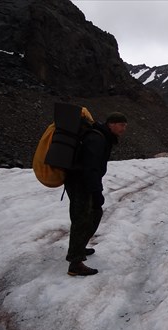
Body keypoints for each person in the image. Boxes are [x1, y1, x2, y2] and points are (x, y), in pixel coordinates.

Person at [65, 112, 128, 276]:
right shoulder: (97, 139)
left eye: (125, 125)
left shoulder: (102, 136)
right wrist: (96, 191)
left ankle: (79, 248)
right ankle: (75, 263)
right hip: (80, 182)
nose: (124, 129)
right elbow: (90, 168)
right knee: (82, 218)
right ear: (111, 124)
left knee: (92, 214)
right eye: (121, 125)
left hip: (80, 181)